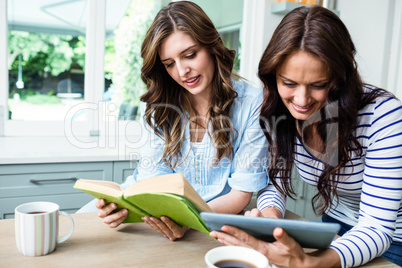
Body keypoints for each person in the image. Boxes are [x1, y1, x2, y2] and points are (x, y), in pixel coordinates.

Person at [210, 5, 402, 268]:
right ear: (273, 76)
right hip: (335, 229)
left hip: (393, 242)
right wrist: (270, 219)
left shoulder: (384, 116)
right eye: (288, 83)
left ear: (340, 78)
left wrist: (309, 263)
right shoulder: (279, 110)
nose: (301, 101)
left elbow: (378, 227)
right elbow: (275, 183)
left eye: (318, 85)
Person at [78, 1, 269, 241]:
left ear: (212, 47)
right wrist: (120, 210)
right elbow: (150, 180)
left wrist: (189, 221)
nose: (181, 71)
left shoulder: (252, 103)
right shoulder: (158, 105)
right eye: (169, 64)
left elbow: (240, 193)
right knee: (76, 230)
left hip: (208, 219)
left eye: (189, 55)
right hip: (156, 213)